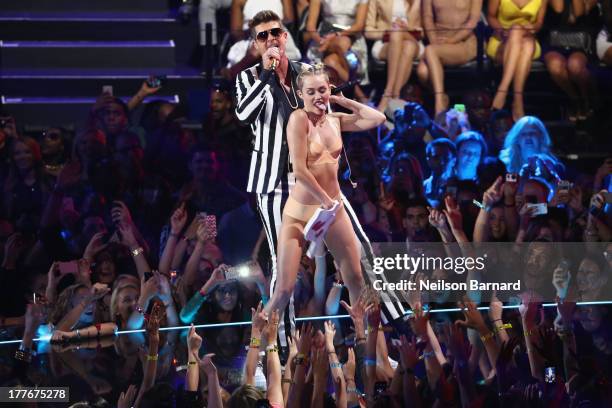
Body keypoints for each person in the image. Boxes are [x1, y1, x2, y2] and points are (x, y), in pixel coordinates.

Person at [235, 10, 404, 345]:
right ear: (255, 45)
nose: (270, 40)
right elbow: (244, 114)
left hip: (320, 183)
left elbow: (344, 107)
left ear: (285, 37)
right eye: (262, 36)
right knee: (284, 273)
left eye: (275, 33)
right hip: (275, 185)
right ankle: (280, 347)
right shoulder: (248, 77)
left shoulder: (305, 76)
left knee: (361, 251)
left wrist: (336, 96)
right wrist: (268, 77)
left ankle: (393, 323)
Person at [262, 63, 386, 320]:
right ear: (300, 95)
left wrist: (344, 100)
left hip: (332, 208)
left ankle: (370, 348)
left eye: (322, 90)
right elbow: (300, 170)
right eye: (311, 92)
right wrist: (326, 201)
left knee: (355, 278)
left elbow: (378, 119)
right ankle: (258, 345)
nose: (318, 97)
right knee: (284, 289)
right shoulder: (298, 120)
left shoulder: (335, 120)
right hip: (303, 210)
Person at [417, 0, 483, 115]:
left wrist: (452, 40)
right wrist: (434, 40)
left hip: (464, 40)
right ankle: (443, 98)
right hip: (439, 40)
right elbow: (427, 17)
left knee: (431, 51)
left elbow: (473, 21)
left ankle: (439, 107)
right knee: (422, 72)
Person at [487, 0, 548, 120]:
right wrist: (502, 31)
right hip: (502, 40)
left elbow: (539, 23)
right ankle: (518, 101)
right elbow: (491, 16)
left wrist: (533, 27)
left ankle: (502, 90)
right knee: (517, 31)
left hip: (528, 38)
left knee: (526, 41)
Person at [542, 0, 598, 121]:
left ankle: (587, 101)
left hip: (580, 42)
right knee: (555, 66)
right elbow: (558, 8)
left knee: (575, 66)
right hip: (554, 40)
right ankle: (574, 100)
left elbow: (578, 12)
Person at [304, 0, 370, 102]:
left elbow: (359, 26)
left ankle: (340, 101)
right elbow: (310, 27)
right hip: (324, 37)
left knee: (332, 60)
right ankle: (359, 94)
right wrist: (321, 40)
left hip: (350, 36)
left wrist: (336, 36)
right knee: (339, 46)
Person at [365, 0, 423, 112]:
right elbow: (368, 31)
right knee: (401, 39)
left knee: (402, 37)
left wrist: (406, 29)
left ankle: (387, 94)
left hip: (412, 39)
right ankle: (395, 95)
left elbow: (424, 31)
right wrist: (388, 31)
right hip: (386, 42)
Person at [423, 138, 456, 208]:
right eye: (436, 157)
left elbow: (478, 204)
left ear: (454, 160)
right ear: (428, 160)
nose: (442, 162)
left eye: (445, 157)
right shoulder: (423, 187)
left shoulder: (461, 186)